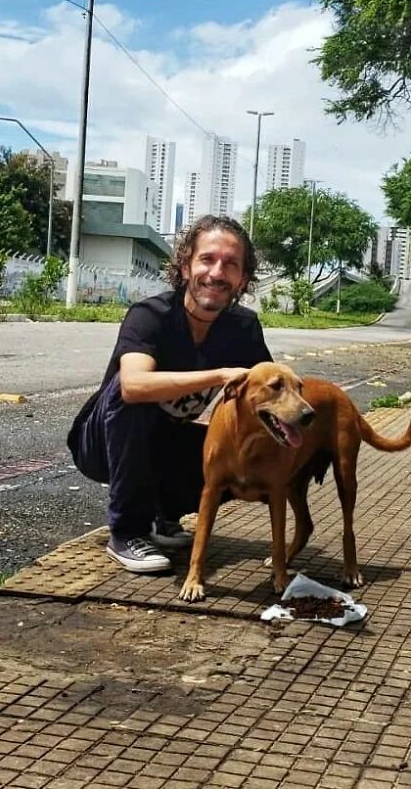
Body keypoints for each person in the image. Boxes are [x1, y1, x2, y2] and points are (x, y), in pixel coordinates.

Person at [67, 215, 272, 574]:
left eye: (231, 264)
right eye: (207, 259)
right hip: (101, 443)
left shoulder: (243, 328)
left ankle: (163, 517)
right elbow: (133, 386)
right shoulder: (151, 315)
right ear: (185, 265)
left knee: (240, 445)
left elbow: (270, 394)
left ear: (243, 278)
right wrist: (220, 374)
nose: (217, 273)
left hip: (163, 444)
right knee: (128, 392)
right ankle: (126, 531)